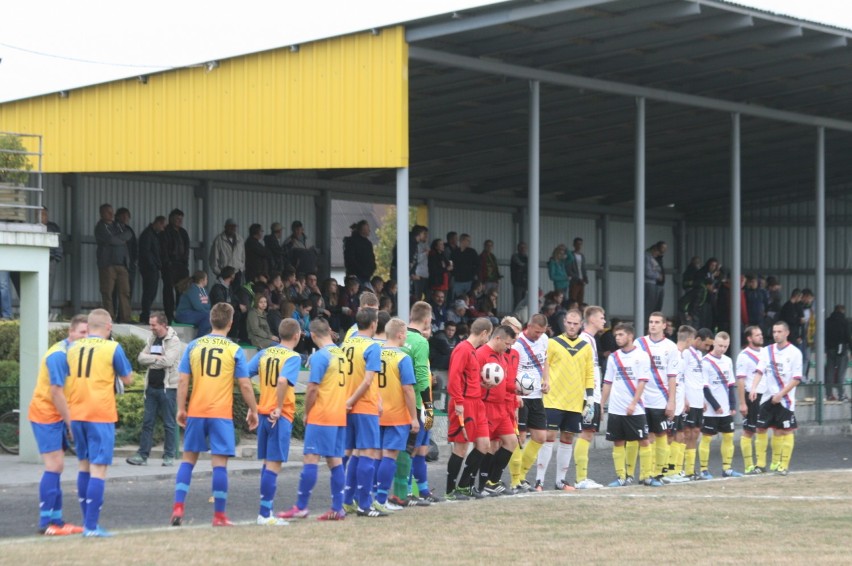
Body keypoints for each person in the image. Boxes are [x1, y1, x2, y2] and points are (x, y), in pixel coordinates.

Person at [170, 302, 259, 527]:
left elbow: (182, 381)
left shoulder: (193, 346)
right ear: (230, 323)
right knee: (219, 465)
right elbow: (245, 385)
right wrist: (254, 409)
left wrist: (181, 408)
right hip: (220, 414)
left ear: (210, 321)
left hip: (197, 411)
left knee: (188, 460)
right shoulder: (234, 349)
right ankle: (219, 516)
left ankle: (178, 507)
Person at [65, 309, 134, 536]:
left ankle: (87, 523)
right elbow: (128, 378)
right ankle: (91, 527)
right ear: (108, 326)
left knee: (83, 466)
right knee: (98, 468)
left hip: (76, 412)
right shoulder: (112, 347)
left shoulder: (73, 348)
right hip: (100, 413)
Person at [277, 319, 348, 521]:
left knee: (310, 458)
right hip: (338, 414)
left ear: (314, 335)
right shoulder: (340, 354)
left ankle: (301, 506)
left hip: (322, 414)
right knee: (335, 461)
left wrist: (308, 412)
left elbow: (313, 388)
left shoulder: (320, 357)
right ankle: (337, 508)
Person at [27, 314, 88, 536]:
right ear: (70, 332)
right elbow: (56, 392)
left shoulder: (72, 354)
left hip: (56, 415)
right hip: (46, 414)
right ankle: (47, 523)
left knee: (57, 467)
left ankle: (57, 521)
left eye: (88, 333)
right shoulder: (58, 356)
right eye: (82, 332)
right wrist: (71, 422)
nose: (85, 337)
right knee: (54, 467)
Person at [247, 318, 302, 526]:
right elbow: (282, 381)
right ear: (296, 336)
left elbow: (244, 375)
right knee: (274, 464)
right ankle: (265, 514)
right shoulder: (293, 357)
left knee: (267, 463)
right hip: (279, 415)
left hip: (262, 413)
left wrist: (253, 406)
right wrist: (279, 406)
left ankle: (265, 511)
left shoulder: (264, 353)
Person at [533, 310, 592, 492]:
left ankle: (561, 481)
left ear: (581, 324)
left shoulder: (586, 346)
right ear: (564, 323)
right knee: (549, 437)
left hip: (574, 401)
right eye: (569, 323)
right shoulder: (553, 343)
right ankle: (539, 481)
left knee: (567, 438)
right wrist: (545, 382)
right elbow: (544, 366)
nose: (572, 326)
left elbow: (589, 373)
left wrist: (589, 398)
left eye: (576, 324)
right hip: (553, 399)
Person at [388, 301, 438, 506]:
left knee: (421, 448)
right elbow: (420, 376)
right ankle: (408, 492)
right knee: (415, 447)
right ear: (427, 319)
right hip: (418, 402)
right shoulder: (420, 342)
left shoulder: (400, 337)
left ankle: (422, 490)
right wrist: (428, 404)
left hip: (396, 399)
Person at [371, 318, 420, 513]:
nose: (406, 337)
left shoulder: (374, 353)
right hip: (396, 415)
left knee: (375, 456)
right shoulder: (403, 357)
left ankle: (371, 496)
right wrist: (414, 417)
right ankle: (382, 499)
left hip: (375, 412)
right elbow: (409, 390)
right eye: (405, 334)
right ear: (399, 334)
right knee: (390, 457)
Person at [338, 309, 384, 517]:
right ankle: (366, 504)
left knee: (354, 451)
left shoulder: (346, 344)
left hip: (346, 406)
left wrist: (345, 400)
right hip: (363, 406)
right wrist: (353, 400)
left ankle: (347, 500)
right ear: (374, 324)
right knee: (368, 453)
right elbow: (367, 380)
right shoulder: (372, 346)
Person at [600, 323, 656, 488]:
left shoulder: (642, 356)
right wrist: (602, 405)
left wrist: (633, 403)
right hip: (616, 408)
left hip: (635, 409)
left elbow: (642, 382)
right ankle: (621, 477)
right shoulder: (613, 357)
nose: (617, 337)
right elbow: (608, 382)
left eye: (621, 335)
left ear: (630, 336)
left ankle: (646, 476)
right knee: (617, 442)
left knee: (643, 441)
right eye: (616, 335)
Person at [445, 317, 493, 500]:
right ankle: (450, 490)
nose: (486, 341)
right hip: (464, 403)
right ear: (484, 333)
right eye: (487, 337)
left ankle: (464, 485)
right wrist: (458, 402)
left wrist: (482, 385)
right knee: (461, 447)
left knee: (484, 445)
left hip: (477, 403)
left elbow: (468, 379)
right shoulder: (463, 349)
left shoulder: (471, 351)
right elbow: (454, 377)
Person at [126, 312, 182, 467]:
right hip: (150, 388)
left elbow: (168, 361)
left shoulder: (174, 341)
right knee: (147, 423)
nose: (151, 328)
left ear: (163, 324)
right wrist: (157, 359)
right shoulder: (152, 338)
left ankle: (169, 456)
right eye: (150, 324)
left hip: (167, 388)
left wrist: (151, 359)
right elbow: (140, 357)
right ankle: (142, 455)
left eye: (153, 325)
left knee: (169, 423)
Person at [629, 312, 678, 484]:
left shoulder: (671, 347)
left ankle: (659, 473)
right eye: (650, 322)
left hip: (660, 398)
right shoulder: (639, 343)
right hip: (641, 399)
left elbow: (672, 376)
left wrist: (672, 401)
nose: (653, 325)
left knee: (661, 435)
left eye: (657, 322)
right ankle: (643, 474)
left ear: (664, 325)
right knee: (642, 437)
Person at [750, 321, 803, 476]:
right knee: (761, 429)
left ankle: (783, 465)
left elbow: (796, 378)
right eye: (774, 331)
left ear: (786, 333)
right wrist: (754, 387)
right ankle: (760, 465)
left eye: (779, 331)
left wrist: (781, 394)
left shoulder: (795, 353)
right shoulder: (766, 351)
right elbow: (759, 371)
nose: (776, 334)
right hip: (767, 397)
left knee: (785, 431)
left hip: (785, 400)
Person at [473, 324, 518, 496]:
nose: (509, 348)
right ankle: (482, 484)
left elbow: (505, 383)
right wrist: (481, 385)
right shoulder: (480, 354)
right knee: (489, 446)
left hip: (502, 408)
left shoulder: (502, 356)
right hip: (487, 406)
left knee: (511, 442)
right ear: (497, 338)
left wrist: (518, 390)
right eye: (507, 344)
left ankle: (493, 481)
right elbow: (471, 380)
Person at [509, 313, 550, 492]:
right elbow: (512, 371)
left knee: (541, 437)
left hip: (537, 396)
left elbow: (545, 361)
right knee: (520, 438)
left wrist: (546, 380)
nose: (538, 335)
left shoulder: (544, 340)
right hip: (521, 397)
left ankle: (523, 476)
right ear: (529, 326)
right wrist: (515, 393)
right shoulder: (518, 346)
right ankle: (515, 480)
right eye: (536, 331)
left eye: (542, 332)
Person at [696, 332, 742, 479]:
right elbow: (705, 387)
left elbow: (730, 385)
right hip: (710, 409)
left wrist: (733, 405)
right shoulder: (705, 362)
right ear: (714, 343)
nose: (722, 349)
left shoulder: (728, 361)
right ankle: (704, 469)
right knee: (707, 438)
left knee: (728, 436)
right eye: (720, 345)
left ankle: (727, 468)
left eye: (725, 346)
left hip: (726, 409)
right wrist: (715, 406)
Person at [573, 305, 607, 489]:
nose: (604, 320)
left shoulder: (591, 340)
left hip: (592, 396)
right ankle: (580, 478)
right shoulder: (585, 340)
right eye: (601, 317)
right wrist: (589, 398)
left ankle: (582, 477)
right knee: (585, 434)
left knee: (588, 434)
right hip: (587, 397)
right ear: (592, 319)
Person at [662, 325, 696, 482]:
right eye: (693, 339)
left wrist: (684, 399)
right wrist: (673, 401)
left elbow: (680, 381)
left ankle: (675, 470)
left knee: (680, 436)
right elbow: (671, 381)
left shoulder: (682, 356)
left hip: (680, 404)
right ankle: (665, 471)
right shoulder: (674, 354)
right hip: (672, 405)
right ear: (689, 339)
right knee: (669, 437)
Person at [683, 327, 714, 480]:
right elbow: (681, 376)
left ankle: (690, 470)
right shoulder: (686, 353)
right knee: (685, 433)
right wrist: (683, 399)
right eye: (707, 345)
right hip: (688, 399)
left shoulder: (699, 355)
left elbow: (699, 379)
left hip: (697, 400)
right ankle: (680, 469)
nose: (708, 348)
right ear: (698, 339)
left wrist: (701, 399)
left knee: (695, 434)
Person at [94, 203, 132, 322]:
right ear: (101, 214)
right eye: (108, 212)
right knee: (107, 293)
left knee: (125, 292)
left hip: (122, 264)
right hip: (107, 265)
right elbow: (111, 239)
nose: (111, 215)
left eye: (112, 212)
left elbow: (129, 234)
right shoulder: (100, 227)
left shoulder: (118, 225)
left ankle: (126, 318)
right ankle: (109, 319)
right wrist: (122, 240)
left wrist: (119, 239)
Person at [736, 325, 764, 474]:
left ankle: (760, 464)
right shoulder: (744, 356)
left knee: (762, 429)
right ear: (749, 338)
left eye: (761, 334)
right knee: (749, 430)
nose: (761, 336)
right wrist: (742, 403)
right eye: (757, 335)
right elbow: (740, 381)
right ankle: (748, 465)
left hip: (766, 396)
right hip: (752, 396)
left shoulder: (766, 353)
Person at [160, 209, 191, 323]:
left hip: (182, 265)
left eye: (181, 219)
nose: (179, 221)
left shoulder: (183, 232)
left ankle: (180, 314)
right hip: (170, 265)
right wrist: (167, 263)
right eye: (177, 219)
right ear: (171, 218)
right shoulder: (166, 231)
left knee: (182, 292)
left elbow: (187, 249)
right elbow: (163, 249)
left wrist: (185, 263)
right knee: (168, 291)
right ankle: (169, 315)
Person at [138, 216, 166, 323]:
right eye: (162, 226)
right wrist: (153, 265)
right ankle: (145, 315)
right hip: (149, 268)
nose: (163, 229)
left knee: (151, 292)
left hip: (152, 267)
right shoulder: (148, 234)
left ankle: (145, 313)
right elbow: (146, 252)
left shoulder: (152, 234)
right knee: (149, 292)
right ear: (158, 223)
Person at [209, 219, 245, 290]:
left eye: (234, 227)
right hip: (224, 274)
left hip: (237, 273)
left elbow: (243, 256)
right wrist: (219, 273)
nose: (232, 228)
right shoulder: (219, 240)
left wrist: (241, 268)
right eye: (230, 226)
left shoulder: (240, 239)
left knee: (235, 295)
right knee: (224, 294)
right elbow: (213, 258)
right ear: (225, 227)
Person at [114, 207, 137, 317]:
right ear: (117, 216)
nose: (125, 218)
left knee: (127, 291)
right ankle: (113, 315)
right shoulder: (113, 228)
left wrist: (134, 261)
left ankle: (123, 315)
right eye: (122, 216)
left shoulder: (129, 230)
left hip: (129, 265)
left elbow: (134, 247)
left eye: (127, 216)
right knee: (113, 291)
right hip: (116, 263)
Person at [174, 271, 211, 337]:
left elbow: (208, 305)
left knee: (211, 317)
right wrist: (208, 312)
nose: (207, 280)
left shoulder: (204, 290)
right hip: (183, 314)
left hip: (196, 314)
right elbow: (197, 306)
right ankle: (199, 341)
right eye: (206, 279)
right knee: (208, 317)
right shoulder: (192, 289)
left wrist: (208, 311)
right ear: (202, 280)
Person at [826, 305, 851, 401]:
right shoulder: (845, 322)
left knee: (830, 372)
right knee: (841, 372)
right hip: (842, 349)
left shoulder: (827, 321)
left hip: (830, 349)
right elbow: (848, 337)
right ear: (843, 311)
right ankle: (841, 395)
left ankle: (829, 394)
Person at [41, 207, 63, 305]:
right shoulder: (33, 228)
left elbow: (59, 243)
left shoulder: (53, 227)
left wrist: (57, 258)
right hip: (37, 260)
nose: (42, 216)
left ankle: (47, 311)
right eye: (40, 214)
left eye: (44, 214)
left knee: (49, 287)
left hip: (51, 260)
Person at [343, 220, 376, 286]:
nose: (369, 231)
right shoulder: (351, 242)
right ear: (362, 230)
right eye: (367, 229)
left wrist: (373, 267)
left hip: (366, 275)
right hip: (357, 275)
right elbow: (350, 259)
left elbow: (371, 257)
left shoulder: (368, 243)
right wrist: (361, 270)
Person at [450, 234, 478, 301]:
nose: (469, 242)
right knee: (457, 299)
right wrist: (454, 274)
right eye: (468, 240)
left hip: (469, 280)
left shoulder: (472, 252)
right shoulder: (455, 252)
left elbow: (477, 264)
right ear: (462, 240)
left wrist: (473, 274)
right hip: (457, 280)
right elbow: (451, 264)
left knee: (468, 299)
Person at [644, 244, 663, 321]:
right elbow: (647, 271)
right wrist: (658, 276)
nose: (658, 255)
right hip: (649, 283)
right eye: (658, 252)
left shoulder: (651, 257)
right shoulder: (647, 257)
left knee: (653, 306)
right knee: (649, 306)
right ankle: (646, 324)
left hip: (654, 284)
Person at [567, 238, 589, 305]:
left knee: (580, 299)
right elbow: (568, 269)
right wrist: (577, 278)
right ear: (574, 244)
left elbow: (583, 268)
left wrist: (585, 278)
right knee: (573, 299)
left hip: (581, 281)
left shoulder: (582, 256)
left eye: (580, 244)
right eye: (577, 244)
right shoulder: (570, 255)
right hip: (574, 281)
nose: (579, 246)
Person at [509, 242, 528, 310]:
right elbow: (521, 265)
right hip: (517, 283)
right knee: (518, 302)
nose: (523, 249)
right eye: (521, 247)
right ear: (518, 248)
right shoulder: (515, 257)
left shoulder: (527, 258)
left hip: (525, 284)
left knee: (525, 302)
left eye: (524, 247)